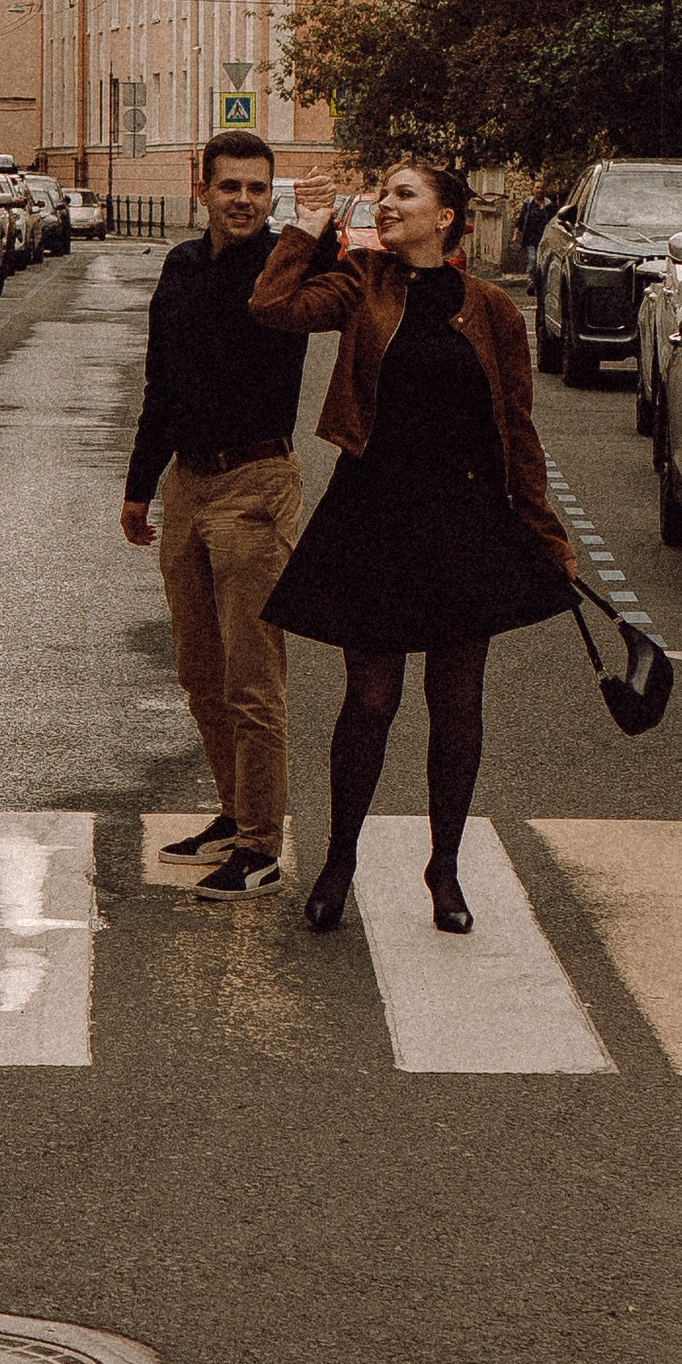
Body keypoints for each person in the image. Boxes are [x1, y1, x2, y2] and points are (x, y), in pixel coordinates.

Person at [252, 161, 579, 934]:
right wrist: (309, 223)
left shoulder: (492, 309)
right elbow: (273, 306)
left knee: (457, 702)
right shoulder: (361, 282)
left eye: (405, 194)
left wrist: (546, 532)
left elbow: (518, 428)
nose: (387, 204)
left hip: (466, 518)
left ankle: (446, 868)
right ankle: (339, 861)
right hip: (375, 513)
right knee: (370, 699)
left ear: (446, 218)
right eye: (384, 194)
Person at [121, 129, 309, 899]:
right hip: (189, 485)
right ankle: (233, 814)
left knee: (252, 680)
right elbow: (161, 381)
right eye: (230, 186)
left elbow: (334, 288)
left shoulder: (286, 265)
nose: (243, 201)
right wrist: (139, 485)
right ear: (200, 189)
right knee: (201, 671)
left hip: (257, 484)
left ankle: (261, 846)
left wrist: (315, 233)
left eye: (257, 189)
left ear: (271, 196)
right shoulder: (180, 266)